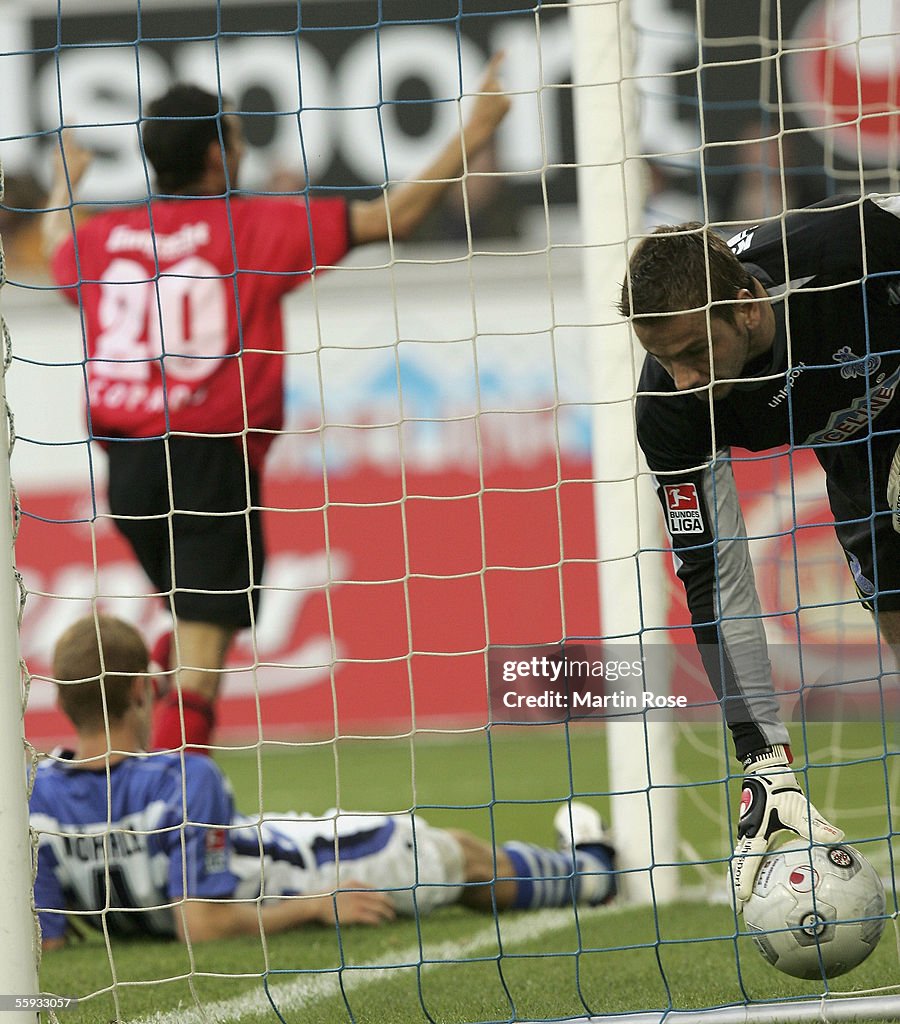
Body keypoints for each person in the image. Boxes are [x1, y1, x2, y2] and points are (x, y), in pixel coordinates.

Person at [41, 60, 510, 754]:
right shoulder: (252, 228)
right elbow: (396, 216)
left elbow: (55, 251)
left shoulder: (106, 238)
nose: (244, 147)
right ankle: (174, 815)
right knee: (202, 668)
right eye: (236, 134)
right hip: (205, 463)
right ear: (215, 152)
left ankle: (160, 731)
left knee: (199, 631)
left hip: (129, 475)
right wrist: (476, 129)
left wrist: (62, 185)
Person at [618, 194, 900, 907]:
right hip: (861, 464)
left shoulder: (855, 245)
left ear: (746, 306)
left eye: (694, 352)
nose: (686, 380)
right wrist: (759, 751)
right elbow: (715, 575)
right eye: (664, 360)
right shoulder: (671, 412)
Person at [31, 614, 616, 951]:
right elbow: (201, 923)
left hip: (255, 846)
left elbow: (48, 939)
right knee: (460, 857)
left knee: (449, 857)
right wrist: (315, 906)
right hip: (303, 872)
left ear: (60, 699)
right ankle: (595, 873)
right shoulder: (181, 779)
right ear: (141, 691)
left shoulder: (33, 801)